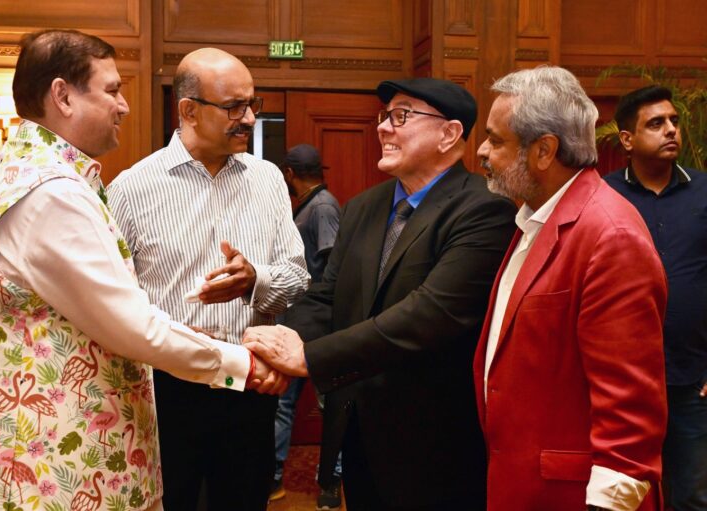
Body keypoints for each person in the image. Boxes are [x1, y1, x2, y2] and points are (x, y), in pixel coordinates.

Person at [0, 30, 282, 511]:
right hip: (47, 460)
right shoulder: (50, 192)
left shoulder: (15, 170)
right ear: (63, 96)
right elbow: (132, 324)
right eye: (112, 90)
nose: (124, 106)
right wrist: (244, 365)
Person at [243, 77, 517, 510]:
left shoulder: (485, 208)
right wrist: (286, 340)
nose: (384, 128)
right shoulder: (363, 206)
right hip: (356, 430)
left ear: (449, 134)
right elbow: (327, 295)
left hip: (435, 441)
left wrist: (308, 359)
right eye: (384, 116)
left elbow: (427, 316)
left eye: (402, 115)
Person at [107, 48, 308, 511]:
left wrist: (255, 280)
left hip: (250, 383)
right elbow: (112, 300)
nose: (250, 117)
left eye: (252, 104)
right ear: (189, 110)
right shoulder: (131, 189)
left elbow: (298, 277)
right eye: (234, 107)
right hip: (167, 389)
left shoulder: (268, 180)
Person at [473, 66, 668, 511]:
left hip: (572, 498)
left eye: (497, 140)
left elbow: (631, 418)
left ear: (544, 151)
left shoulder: (610, 236)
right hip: (522, 486)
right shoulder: (534, 220)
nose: (482, 151)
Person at [605, 85, 707, 511]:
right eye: (656, 123)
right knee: (625, 499)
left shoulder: (704, 192)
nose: (671, 131)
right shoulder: (604, 197)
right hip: (623, 384)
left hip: (692, 380)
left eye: (674, 122)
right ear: (627, 140)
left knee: (694, 497)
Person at [271, 143, 343, 509]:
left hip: (315, 322)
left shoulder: (323, 206)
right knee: (284, 402)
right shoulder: (311, 204)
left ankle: (331, 480)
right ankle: (276, 477)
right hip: (297, 318)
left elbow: (334, 265)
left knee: (329, 401)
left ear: (289, 174)